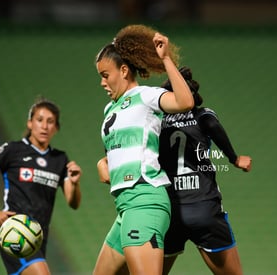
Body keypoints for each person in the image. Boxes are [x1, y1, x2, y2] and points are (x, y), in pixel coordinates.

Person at [93, 24, 194, 275]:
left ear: (124, 70)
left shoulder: (145, 96)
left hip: (145, 202)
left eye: (106, 75)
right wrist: (103, 164)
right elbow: (118, 151)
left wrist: (167, 59)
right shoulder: (110, 110)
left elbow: (185, 101)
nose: (102, 82)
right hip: (125, 207)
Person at [0, 97, 82, 275]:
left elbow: (73, 202)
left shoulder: (60, 159)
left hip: (38, 237)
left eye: (50, 122)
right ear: (30, 123)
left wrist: (75, 184)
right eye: (39, 120)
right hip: (16, 231)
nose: (44, 126)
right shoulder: (12, 150)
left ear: (56, 128)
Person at [158, 66, 251, 275]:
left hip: (169, 210)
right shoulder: (202, 115)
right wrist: (234, 158)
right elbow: (213, 126)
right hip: (204, 208)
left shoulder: (158, 122)